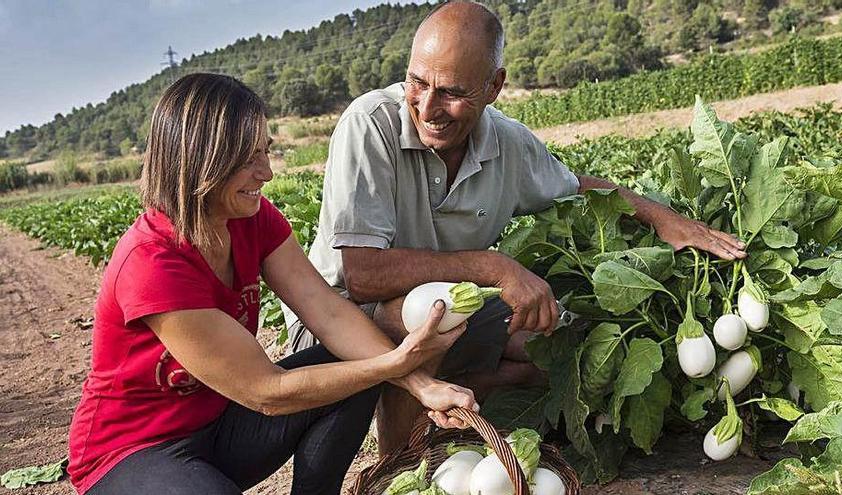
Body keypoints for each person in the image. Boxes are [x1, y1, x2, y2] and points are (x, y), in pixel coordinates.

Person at [282, 0, 748, 454]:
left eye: (452, 92)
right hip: (336, 320)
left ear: (493, 86)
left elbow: (581, 188)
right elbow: (363, 276)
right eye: (418, 82)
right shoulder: (371, 125)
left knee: (558, 342)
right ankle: (397, 464)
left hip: (445, 311)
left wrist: (667, 221)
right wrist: (495, 268)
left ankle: (460, 395)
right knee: (433, 313)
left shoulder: (508, 143)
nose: (428, 107)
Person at [66, 73, 478, 495]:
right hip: (132, 452)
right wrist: (396, 363)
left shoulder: (252, 219)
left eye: (265, 151)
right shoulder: (152, 263)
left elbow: (330, 313)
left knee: (351, 370)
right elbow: (267, 392)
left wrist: (421, 385)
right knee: (364, 369)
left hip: (220, 428)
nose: (265, 172)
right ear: (200, 163)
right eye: (248, 159)